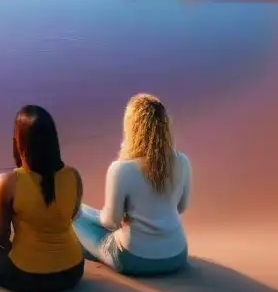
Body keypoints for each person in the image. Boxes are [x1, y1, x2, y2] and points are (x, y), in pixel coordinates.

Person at [0, 105, 84, 292]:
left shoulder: (9, 182)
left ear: (20, 143)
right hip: (73, 272)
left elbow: (1, 234)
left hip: (25, 277)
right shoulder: (73, 176)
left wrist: (0, 242)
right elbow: (71, 216)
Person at [73, 94, 191, 276]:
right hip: (177, 255)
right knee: (83, 210)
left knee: (72, 216)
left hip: (133, 258)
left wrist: (116, 218)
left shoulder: (122, 169)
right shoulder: (182, 161)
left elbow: (110, 222)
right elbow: (181, 207)